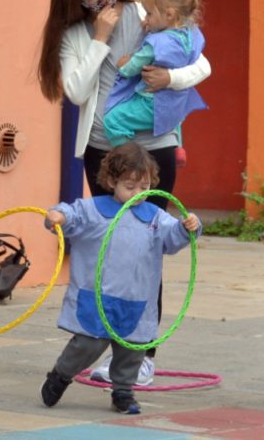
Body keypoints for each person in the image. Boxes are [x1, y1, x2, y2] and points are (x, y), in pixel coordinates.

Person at [37, 0, 211, 385]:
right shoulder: (75, 34)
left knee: (146, 248)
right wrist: (99, 38)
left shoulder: (146, 12)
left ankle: (141, 355)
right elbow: (77, 92)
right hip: (104, 151)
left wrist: (171, 79)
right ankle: (105, 344)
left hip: (155, 147)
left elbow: (201, 62)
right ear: (76, 0)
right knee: (109, 249)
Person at [39, 141, 202, 415]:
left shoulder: (154, 217)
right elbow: (71, 214)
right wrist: (57, 216)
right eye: (130, 186)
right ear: (112, 182)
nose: (138, 193)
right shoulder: (94, 210)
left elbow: (173, 236)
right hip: (97, 296)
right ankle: (61, 375)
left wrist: (189, 228)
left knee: (132, 349)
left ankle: (123, 392)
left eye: (144, 187)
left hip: (136, 298)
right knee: (87, 343)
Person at [103, 0, 207, 147]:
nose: (146, 18)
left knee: (112, 120)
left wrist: (123, 65)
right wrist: (153, 27)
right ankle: (178, 148)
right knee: (174, 118)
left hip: (153, 104)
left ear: (169, 14)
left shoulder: (155, 44)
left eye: (149, 14)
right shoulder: (193, 36)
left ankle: (126, 154)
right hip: (178, 102)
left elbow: (133, 67)